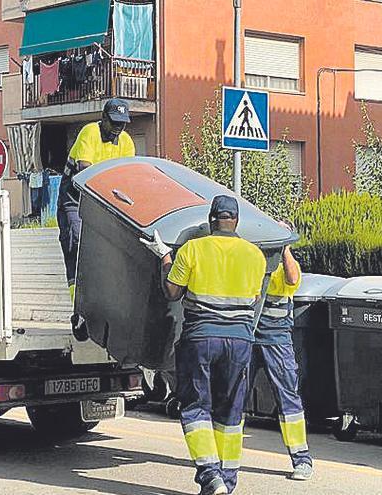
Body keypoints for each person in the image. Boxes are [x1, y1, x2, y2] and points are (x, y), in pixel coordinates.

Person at [141, 195, 266, 495]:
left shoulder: (193, 249)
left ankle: (211, 477)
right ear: (236, 222)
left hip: (201, 338)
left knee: (197, 408)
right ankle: (228, 480)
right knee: (231, 412)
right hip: (239, 341)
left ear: (211, 221)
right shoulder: (256, 256)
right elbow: (254, 299)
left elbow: (172, 292)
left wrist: (164, 257)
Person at [58, 98, 135, 337]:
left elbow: (127, 175)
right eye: (114, 122)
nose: (118, 128)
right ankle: (79, 309)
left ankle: (106, 308)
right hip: (76, 200)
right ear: (103, 119)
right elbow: (85, 172)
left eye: (122, 124)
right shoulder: (89, 132)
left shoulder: (126, 142)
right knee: (79, 245)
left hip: (104, 202)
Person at [252, 224, 314, 481]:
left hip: (276, 339)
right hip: (248, 335)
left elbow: (292, 279)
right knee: (233, 395)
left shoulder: (285, 264)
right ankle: (222, 460)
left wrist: (285, 248)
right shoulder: (253, 259)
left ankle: (301, 459)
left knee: (288, 398)